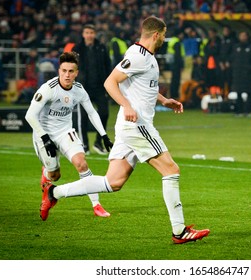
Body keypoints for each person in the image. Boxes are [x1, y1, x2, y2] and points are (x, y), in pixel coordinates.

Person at [39, 16, 210, 244]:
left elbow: (142, 88)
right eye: (164, 34)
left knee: (113, 182)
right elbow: (110, 82)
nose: (165, 39)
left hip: (128, 127)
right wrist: (126, 105)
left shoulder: (147, 57)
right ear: (156, 34)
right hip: (137, 126)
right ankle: (179, 231)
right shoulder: (138, 55)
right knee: (171, 170)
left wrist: (164, 100)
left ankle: (54, 193)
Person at [25, 51, 114, 218]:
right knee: (55, 175)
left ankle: (96, 205)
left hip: (65, 132)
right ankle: (47, 177)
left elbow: (92, 113)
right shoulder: (48, 89)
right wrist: (45, 138)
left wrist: (104, 136)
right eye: (64, 70)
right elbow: (30, 115)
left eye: (71, 71)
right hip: (43, 133)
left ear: (76, 73)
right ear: (59, 70)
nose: (67, 75)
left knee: (82, 164)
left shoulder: (79, 90)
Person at [73, 24, 111, 155]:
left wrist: (108, 85)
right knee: (82, 117)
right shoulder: (77, 48)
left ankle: (98, 142)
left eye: (91, 32)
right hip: (83, 89)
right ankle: (84, 145)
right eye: (87, 32)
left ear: (94, 34)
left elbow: (108, 67)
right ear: (83, 34)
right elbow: (71, 67)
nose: (89, 35)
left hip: (100, 87)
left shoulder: (101, 48)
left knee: (105, 113)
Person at [229, 31, 251, 116]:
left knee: (249, 93)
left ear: (247, 37)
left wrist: (249, 69)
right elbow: (232, 58)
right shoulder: (236, 47)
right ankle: (238, 111)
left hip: (247, 74)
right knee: (238, 93)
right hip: (237, 74)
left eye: (244, 36)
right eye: (241, 36)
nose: (242, 37)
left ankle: (248, 111)